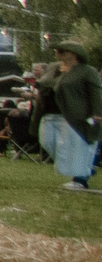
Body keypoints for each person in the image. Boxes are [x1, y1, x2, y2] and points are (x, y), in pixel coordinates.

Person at [41, 43, 102, 191]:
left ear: (74, 54)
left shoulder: (87, 71)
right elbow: (44, 83)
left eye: (62, 51)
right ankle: (83, 169)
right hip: (53, 114)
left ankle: (80, 179)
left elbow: (96, 92)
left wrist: (98, 113)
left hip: (78, 116)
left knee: (80, 147)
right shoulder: (56, 68)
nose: (58, 53)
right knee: (47, 141)